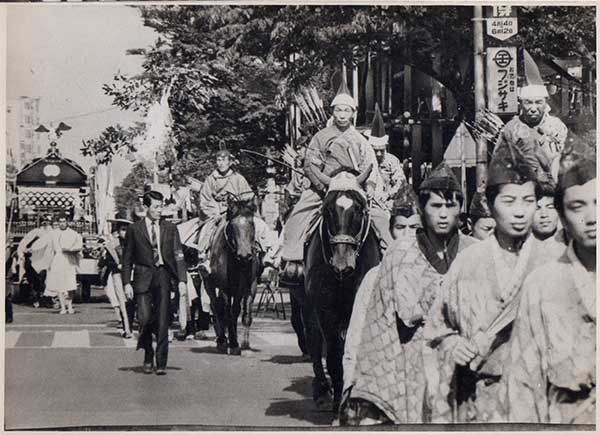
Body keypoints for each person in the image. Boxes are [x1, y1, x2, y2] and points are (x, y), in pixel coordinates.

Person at [423, 143, 562, 423]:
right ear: (489, 204)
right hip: (482, 403)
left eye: (528, 201)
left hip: (543, 402)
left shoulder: (556, 261)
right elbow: (437, 331)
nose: (520, 212)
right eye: (509, 202)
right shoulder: (468, 262)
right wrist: (454, 345)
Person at [340, 163, 476, 425]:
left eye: (451, 206)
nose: (444, 214)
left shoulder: (476, 252)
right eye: (436, 207)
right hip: (408, 368)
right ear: (423, 210)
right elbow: (379, 327)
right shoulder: (399, 254)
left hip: (465, 369)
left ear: (461, 208)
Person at [506, 138, 595, 423]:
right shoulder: (542, 285)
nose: (592, 217)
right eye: (577, 206)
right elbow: (522, 386)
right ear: (563, 217)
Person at [281, 79, 385, 267]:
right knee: (297, 215)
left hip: (354, 188)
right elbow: (310, 166)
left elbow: (371, 167)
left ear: (353, 113)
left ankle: (387, 256)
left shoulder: (361, 140)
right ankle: (292, 261)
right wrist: (322, 186)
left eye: (347, 110)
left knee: (381, 218)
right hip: (325, 187)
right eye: (338, 110)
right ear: (333, 112)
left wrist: (369, 187)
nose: (342, 114)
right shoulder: (320, 137)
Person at [122, 191, 187, 375]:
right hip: (142, 277)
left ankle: (161, 362)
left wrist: (182, 280)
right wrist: (127, 283)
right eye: (156, 207)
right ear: (146, 207)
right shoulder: (134, 229)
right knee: (144, 318)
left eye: (162, 206)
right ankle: (148, 353)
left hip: (163, 276)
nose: (160, 210)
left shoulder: (170, 228)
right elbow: (127, 259)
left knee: (162, 320)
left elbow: (178, 255)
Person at [493, 51, 568, 185]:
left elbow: (567, 161)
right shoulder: (510, 129)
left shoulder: (557, 126)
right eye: (528, 102)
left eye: (538, 102)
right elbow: (498, 163)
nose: (533, 108)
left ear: (546, 103)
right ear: (521, 103)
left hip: (554, 188)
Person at [196, 147, 271, 274]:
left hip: (237, 213)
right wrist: (214, 213)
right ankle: (205, 258)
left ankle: (265, 254)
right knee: (207, 230)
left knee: (259, 226)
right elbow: (205, 199)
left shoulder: (238, 178)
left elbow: (248, 196)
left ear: (230, 162)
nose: (221, 163)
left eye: (224, 160)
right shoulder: (211, 179)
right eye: (218, 160)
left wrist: (242, 208)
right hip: (217, 213)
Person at [364, 103, 407, 212]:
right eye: (375, 150)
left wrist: (388, 195)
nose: (378, 154)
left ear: (386, 148)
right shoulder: (364, 160)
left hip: (387, 200)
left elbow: (400, 182)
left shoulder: (392, 161)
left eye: (381, 150)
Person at [98, 211, 134, 339]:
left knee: (133, 302)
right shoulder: (112, 244)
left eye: (127, 229)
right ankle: (127, 328)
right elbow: (106, 261)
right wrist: (117, 265)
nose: (125, 232)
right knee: (122, 302)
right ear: (118, 230)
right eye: (123, 229)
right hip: (118, 275)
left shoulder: (135, 243)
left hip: (133, 274)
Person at [43, 212, 83, 314]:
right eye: (60, 222)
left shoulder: (73, 233)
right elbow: (49, 247)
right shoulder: (53, 233)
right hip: (58, 259)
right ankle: (62, 307)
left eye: (64, 221)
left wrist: (71, 249)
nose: (62, 224)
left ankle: (69, 306)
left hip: (70, 260)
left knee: (70, 283)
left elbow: (79, 246)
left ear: (67, 222)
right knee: (59, 284)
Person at [17, 214, 53, 307]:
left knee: (46, 280)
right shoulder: (35, 232)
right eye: (44, 221)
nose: (46, 223)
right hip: (34, 260)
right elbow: (23, 243)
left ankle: (46, 299)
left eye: (48, 221)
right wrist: (22, 252)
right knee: (35, 280)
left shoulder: (53, 233)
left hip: (47, 260)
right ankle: (35, 298)